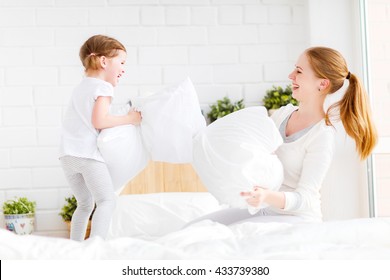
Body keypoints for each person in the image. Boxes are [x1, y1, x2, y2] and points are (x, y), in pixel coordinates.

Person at [187, 46, 378, 226]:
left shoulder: (322, 136)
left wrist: (266, 196)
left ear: (322, 84)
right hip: (265, 209)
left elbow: (306, 199)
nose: (291, 76)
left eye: (299, 71)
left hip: (297, 218)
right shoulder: (283, 114)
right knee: (195, 228)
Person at [59, 35, 142, 241]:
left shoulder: (81, 87)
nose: (124, 69)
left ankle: (75, 247)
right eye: (121, 62)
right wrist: (130, 118)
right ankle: (97, 245)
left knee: (85, 203)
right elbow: (100, 120)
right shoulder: (103, 87)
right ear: (104, 61)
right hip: (86, 154)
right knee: (107, 201)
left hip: (67, 155)